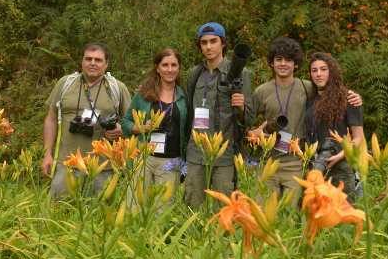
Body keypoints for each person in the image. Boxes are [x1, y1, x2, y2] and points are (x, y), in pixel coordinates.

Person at [250, 37, 361, 205]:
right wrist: (258, 132)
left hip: (299, 162)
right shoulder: (262, 91)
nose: (283, 64)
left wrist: (355, 97)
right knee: (263, 211)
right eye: (278, 59)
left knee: (300, 213)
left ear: (296, 64)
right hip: (271, 161)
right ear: (271, 63)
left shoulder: (307, 88)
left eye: (288, 60)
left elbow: (357, 134)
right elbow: (246, 123)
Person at [41, 42, 131, 198]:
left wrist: (121, 130)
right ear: (82, 62)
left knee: (99, 214)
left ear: (106, 64)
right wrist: (47, 153)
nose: (93, 63)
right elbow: (51, 119)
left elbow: (131, 123)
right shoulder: (65, 84)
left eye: (98, 60)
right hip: (67, 163)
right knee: (59, 210)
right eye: (88, 59)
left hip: (103, 167)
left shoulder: (117, 88)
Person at [184, 22, 253, 209]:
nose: (208, 46)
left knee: (223, 208)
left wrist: (240, 107)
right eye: (204, 42)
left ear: (222, 43)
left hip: (225, 152)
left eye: (213, 41)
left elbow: (249, 118)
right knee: (193, 205)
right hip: (196, 152)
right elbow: (190, 110)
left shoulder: (240, 73)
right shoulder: (194, 74)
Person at [122, 48, 188, 201]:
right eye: (165, 65)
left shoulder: (185, 96)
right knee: (134, 206)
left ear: (179, 68)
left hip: (171, 161)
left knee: (163, 210)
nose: (169, 69)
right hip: (143, 158)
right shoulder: (144, 94)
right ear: (157, 68)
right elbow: (125, 122)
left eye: (174, 65)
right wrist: (141, 128)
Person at [305, 52, 364, 203]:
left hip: (341, 166)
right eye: (314, 70)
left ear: (332, 71)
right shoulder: (310, 101)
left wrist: (341, 154)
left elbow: (358, 138)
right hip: (316, 166)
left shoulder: (348, 98)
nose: (318, 74)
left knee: (344, 215)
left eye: (323, 69)